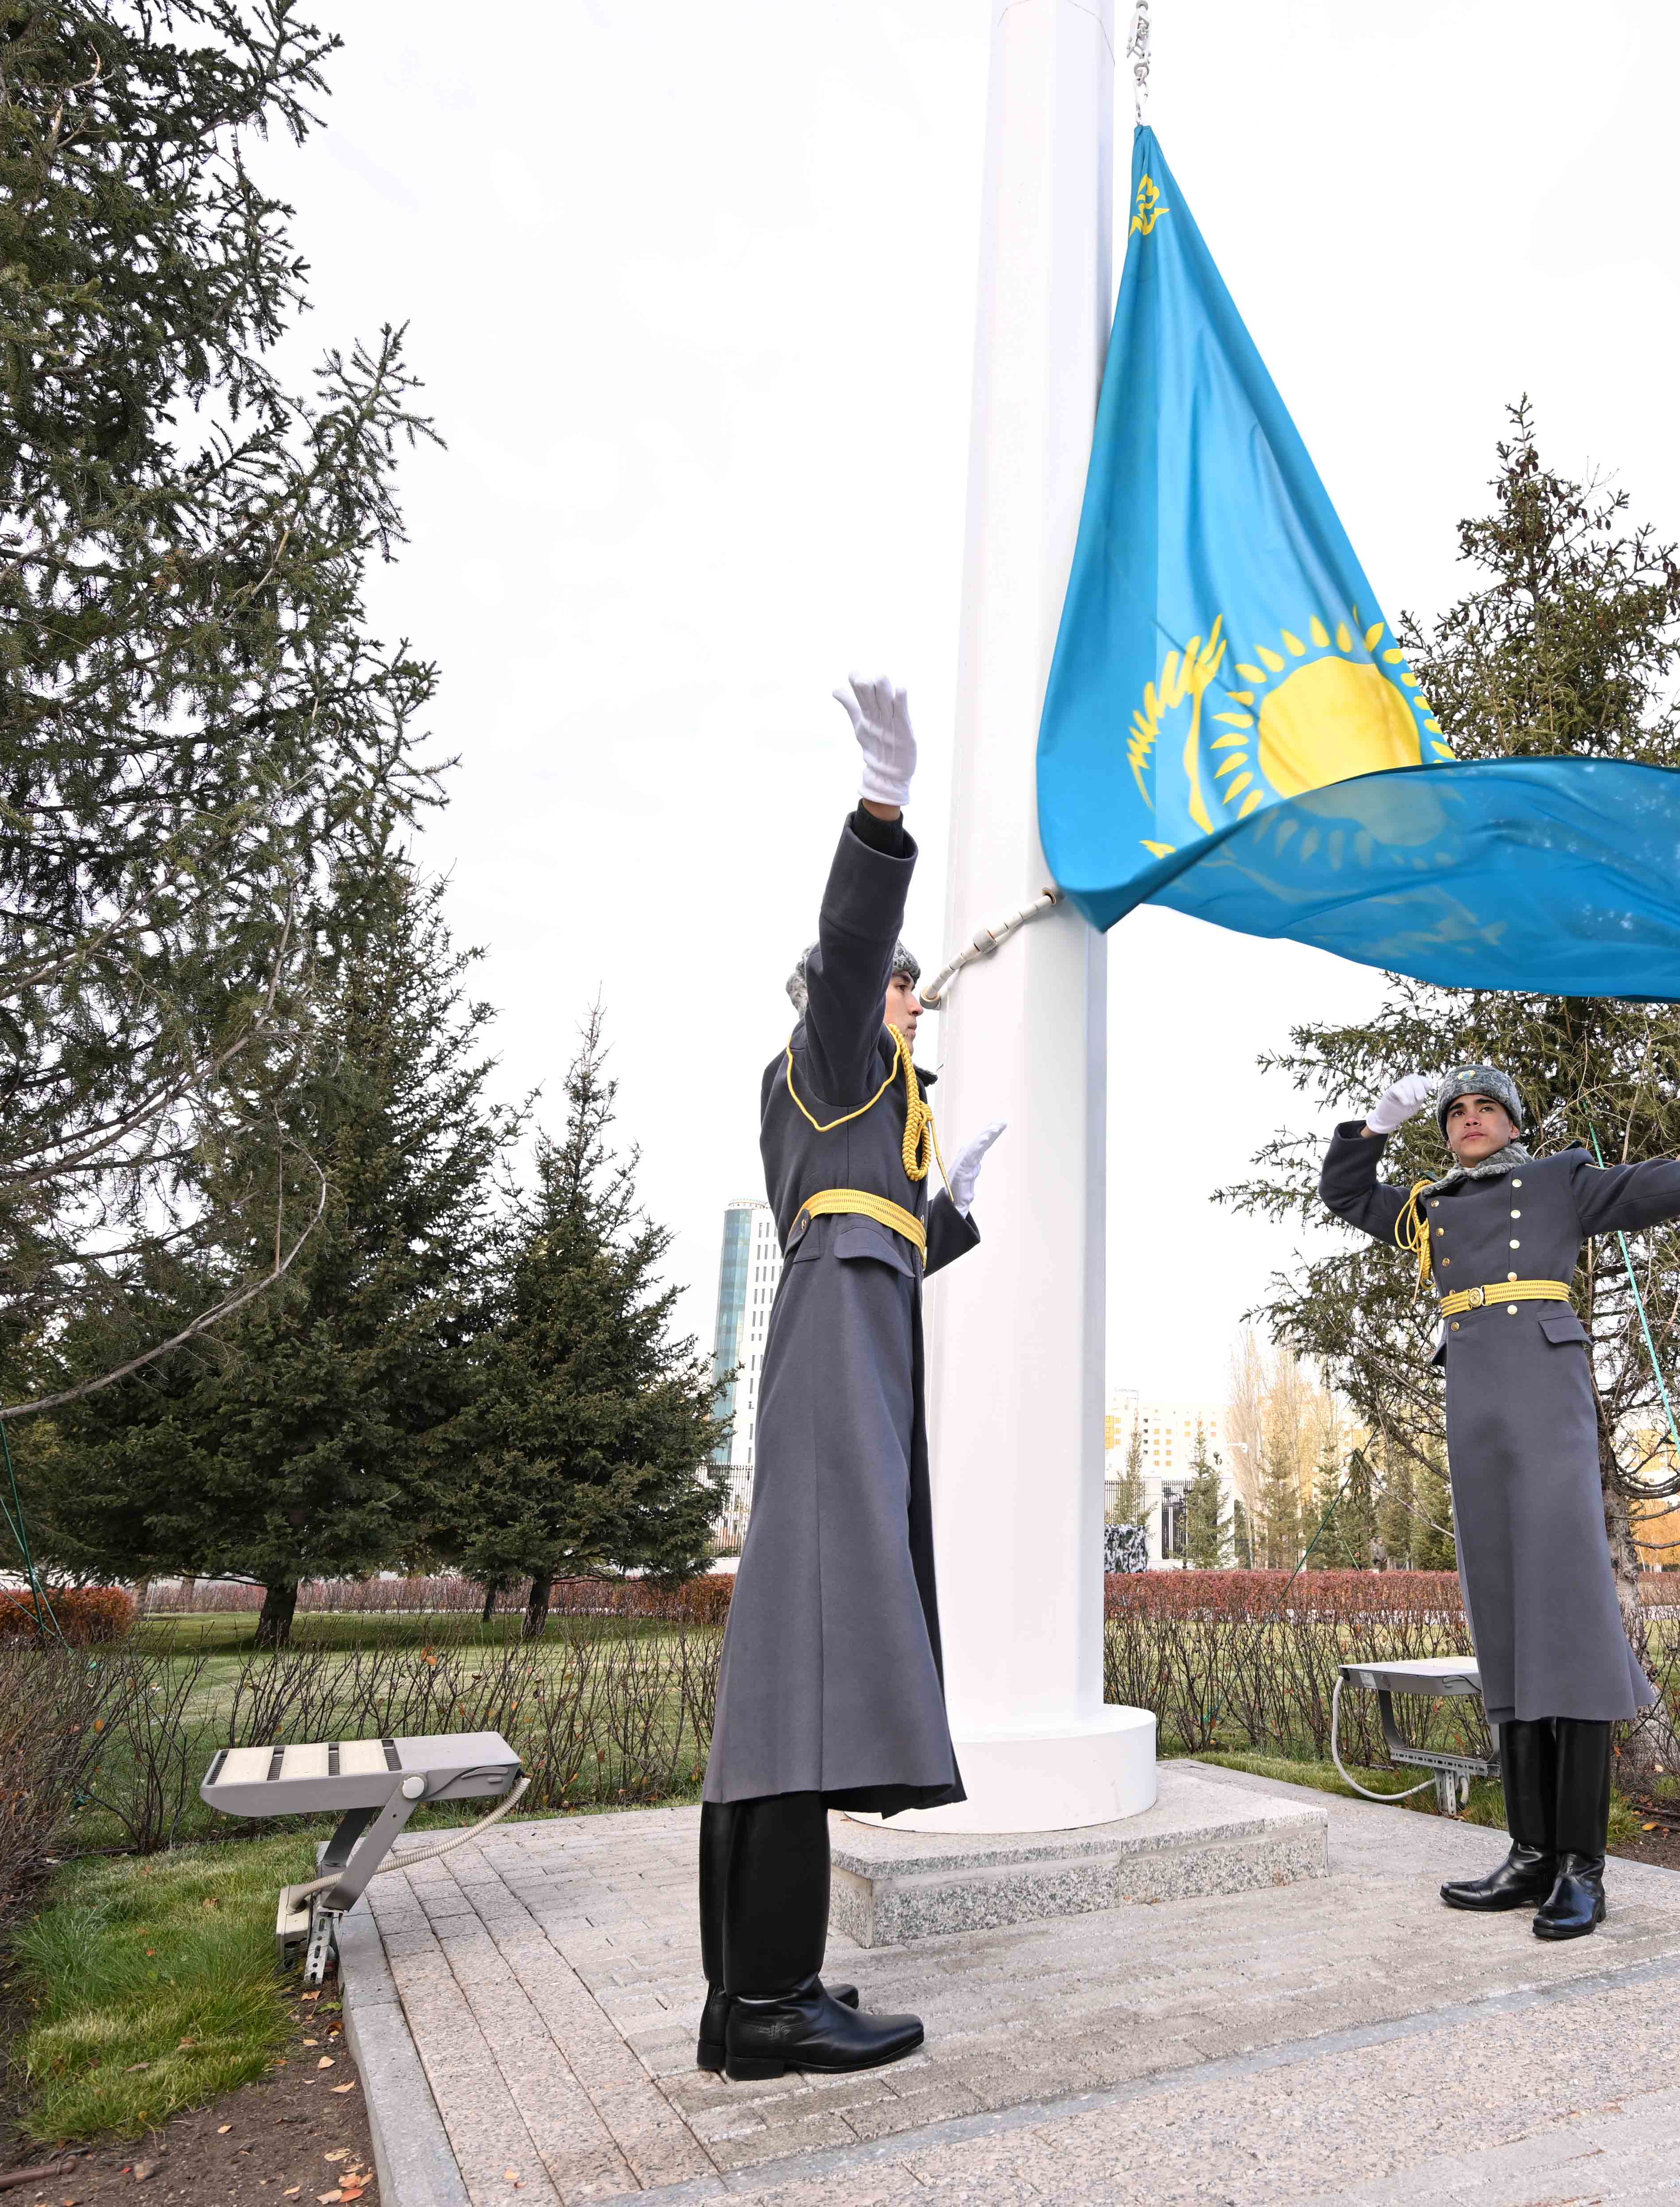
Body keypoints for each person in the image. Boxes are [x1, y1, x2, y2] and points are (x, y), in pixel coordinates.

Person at [1319, 1067, 1680, 1939]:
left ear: (1515, 1125)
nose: (1470, 1119)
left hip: (1546, 1403)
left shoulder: (1559, 1182)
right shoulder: (1430, 1209)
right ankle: (1530, 1855)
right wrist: (1373, 1125)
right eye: (1455, 1112)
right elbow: (1346, 1194)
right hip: (1474, 1410)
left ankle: (1580, 1869)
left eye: (1487, 1108)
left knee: (1571, 1627)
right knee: (1507, 1631)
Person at [698, 678, 1006, 2081]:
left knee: (805, 1657)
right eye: (900, 985)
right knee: (812, 1646)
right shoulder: (829, 1054)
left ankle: (760, 1992)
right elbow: (850, 947)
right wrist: (883, 810)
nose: (911, 996)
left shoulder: (876, 1110)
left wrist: (949, 1216)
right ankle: (770, 1998)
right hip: (835, 1356)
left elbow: (880, 1246)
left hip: (858, 1349)